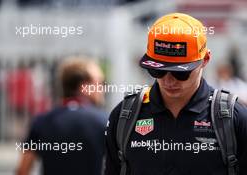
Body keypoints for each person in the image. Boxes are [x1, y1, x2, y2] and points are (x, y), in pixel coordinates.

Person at [105, 13, 247, 175]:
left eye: (180, 73)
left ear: (205, 59)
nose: (169, 80)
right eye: (158, 71)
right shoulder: (125, 116)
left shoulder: (232, 118)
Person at [16, 58, 107, 175]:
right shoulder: (104, 121)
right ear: (84, 86)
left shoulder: (42, 121)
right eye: (99, 82)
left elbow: (23, 170)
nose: (103, 88)